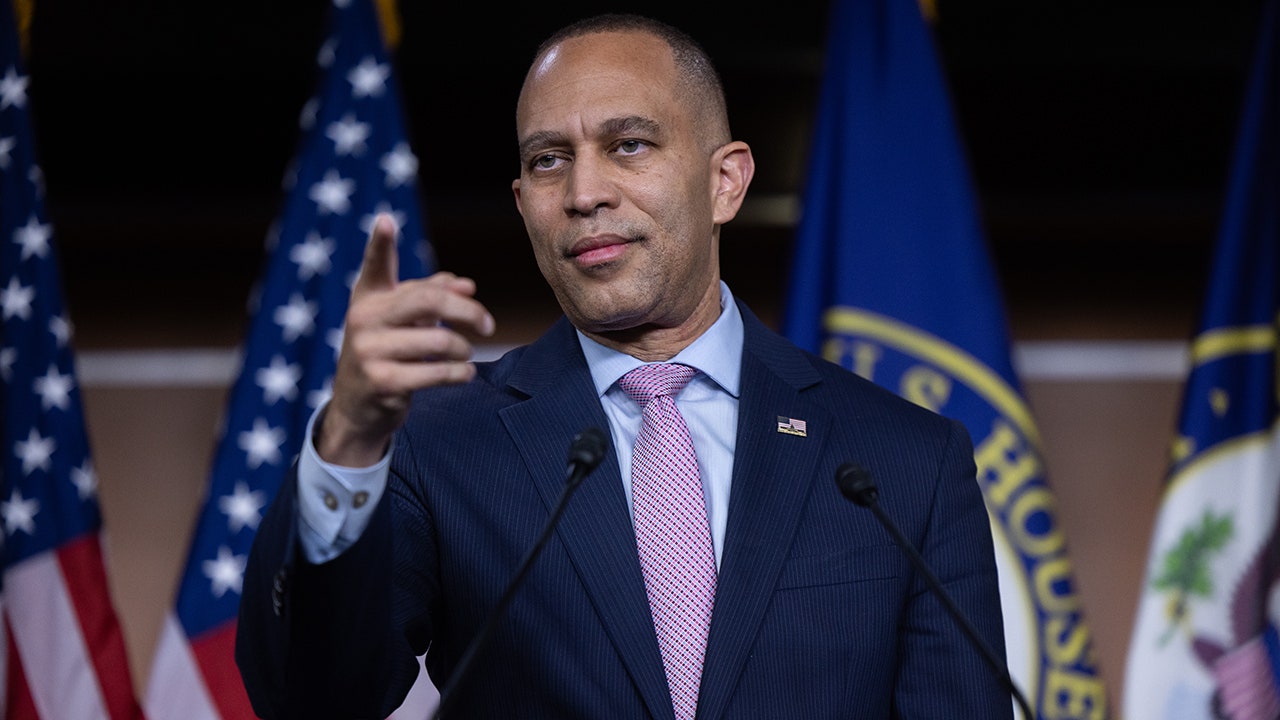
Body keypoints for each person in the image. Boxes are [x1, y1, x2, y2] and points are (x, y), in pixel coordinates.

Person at [236, 13, 1013, 720]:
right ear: (523, 204)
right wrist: (348, 440)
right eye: (549, 161)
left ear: (725, 182)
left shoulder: (905, 463)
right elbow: (309, 700)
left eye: (628, 146)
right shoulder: (434, 442)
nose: (584, 193)